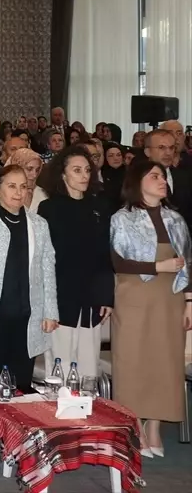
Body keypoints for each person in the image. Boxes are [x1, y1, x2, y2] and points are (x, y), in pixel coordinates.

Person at [109, 159, 191, 458]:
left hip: (170, 298)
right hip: (134, 296)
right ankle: (135, 425)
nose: (162, 181)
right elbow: (118, 262)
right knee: (132, 360)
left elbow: (188, 263)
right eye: (154, 176)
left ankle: (154, 425)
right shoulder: (122, 218)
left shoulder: (176, 219)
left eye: (163, 176)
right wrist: (159, 266)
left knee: (165, 361)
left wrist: (190, 302)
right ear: (137, 181)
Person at [0, 168, 59, 416]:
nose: (19, 192)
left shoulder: (38, 224)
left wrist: (50, 311)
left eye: (23, 186)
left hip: (27, 316)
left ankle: (18, 432)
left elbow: (47, 268)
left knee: (21, 384)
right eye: (11, 186)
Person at [36, 146, 114, 380]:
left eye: (87, 170)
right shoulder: (49, 209)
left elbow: (105, 255)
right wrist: (47, 302)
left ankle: (87, 404)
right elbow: (44, 259)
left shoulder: (99, 207)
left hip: (92, 297)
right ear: (63, 174)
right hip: (61, 297)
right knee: (60, 366)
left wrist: (106, 296)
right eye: (77, 170)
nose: (84, 176)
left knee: (89, 367)